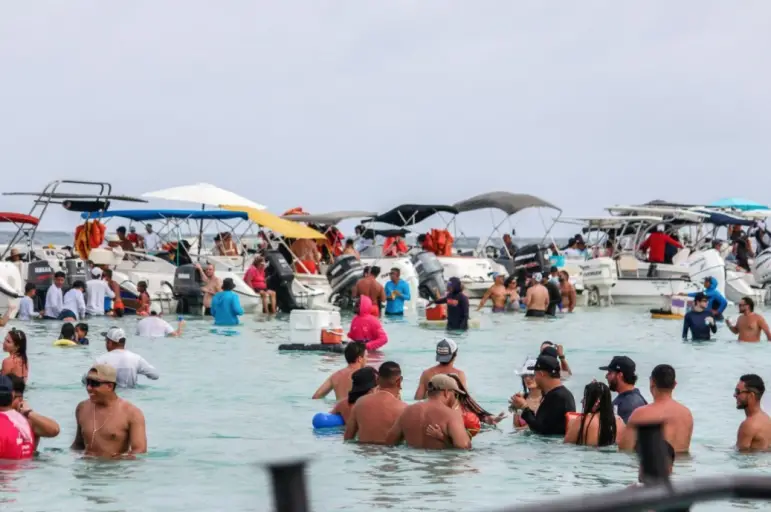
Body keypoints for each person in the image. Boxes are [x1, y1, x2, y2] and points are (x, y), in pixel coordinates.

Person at [72, 364, 147, 458]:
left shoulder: (132, 413)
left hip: (114, 470)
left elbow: (139, 451)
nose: (89, 388)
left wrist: (117, 461)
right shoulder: (82, 408)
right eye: (87, 382)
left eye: (94, 383)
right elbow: (78, 446)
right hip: (87, 469)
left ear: (110, 386)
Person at [619, 364, 693, 454]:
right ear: (674, 384)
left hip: (655, 466)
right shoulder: (686, 414)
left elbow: (624, 450)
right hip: (682, 466)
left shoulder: (641, 413)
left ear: (652, 382)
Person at [386, 374, 471, 450]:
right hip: (439, 465)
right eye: (455, 394)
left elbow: (390, 441)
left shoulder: (407, 411)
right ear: (446, 392)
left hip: (411, 464)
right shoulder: (451, 415)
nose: (456, 398)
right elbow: (464, 447)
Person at [509, 354, 576, 436]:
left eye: (534, 375)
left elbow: (541, 430)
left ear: (541, 374)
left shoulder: (556, 397)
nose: (529, 379)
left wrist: (524, 408)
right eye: (525, 376)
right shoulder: (561, 394)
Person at [344, 361, 407, 444]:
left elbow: (347, 438)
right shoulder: (403, 409)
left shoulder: (359, 403)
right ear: (399, 381)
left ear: (377, 379)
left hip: (362, 454)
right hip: (389, 455)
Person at [87, 327, 159, 388]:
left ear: (110, 342)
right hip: (132, 397)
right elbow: (155, 375)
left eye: (106, 341)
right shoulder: (136, 358)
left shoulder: (101, 360)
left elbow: (86, 379)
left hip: (110, 398)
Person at [6, 374, 60, 451]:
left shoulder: (29, 421)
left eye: (8, 398)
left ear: (20, 399)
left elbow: (55, 430)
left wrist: (29, 413)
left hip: (28, 461)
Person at [565, 381, 624, 447]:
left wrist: (571, 424)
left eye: (586, 397)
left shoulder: (581, 421)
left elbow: (566, 445)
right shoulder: (619, 421)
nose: (582, 401)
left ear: (597, 402)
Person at [600, 356, 647, 424]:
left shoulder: (629, 403)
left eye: (610, 373)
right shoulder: (630, 397)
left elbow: (623, 432)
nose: (606, 376)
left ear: (620, 375)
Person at [735, 374, 771, 452]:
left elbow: (740, 457)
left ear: (751, 395)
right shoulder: (766, 419)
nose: (734, 395)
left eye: (738, 392)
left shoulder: (748, 425)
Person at [511, 358, 542, 428]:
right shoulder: (520, 398)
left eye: (532, 375)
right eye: (525, 375)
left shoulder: (549, 399)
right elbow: (516, 427)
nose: (527, 378)